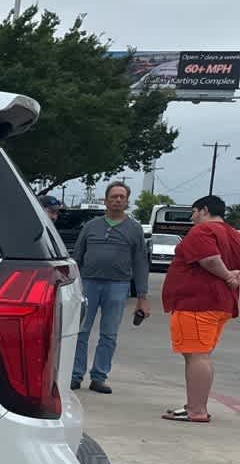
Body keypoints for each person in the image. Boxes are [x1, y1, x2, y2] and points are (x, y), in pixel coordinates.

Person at [160, 194, 240, 423]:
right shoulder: (233, 234)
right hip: (219, 304)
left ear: (204, 210)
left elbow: (210, 260)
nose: (192, 218)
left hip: (197, 303)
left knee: (197, 357)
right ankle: (195, 405)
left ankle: (196, 410)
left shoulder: (202, 231)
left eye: (193, 212)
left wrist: (228, 277)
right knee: (199, 355)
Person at [70, 181, 150, 393]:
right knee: (80, 331)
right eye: (113, 196)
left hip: (118, 286)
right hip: (88, 284)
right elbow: (77, 257)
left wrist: (142, 296)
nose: (117, 200)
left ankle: (99, 377)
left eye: (121, 197)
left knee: (109, 334)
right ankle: (75, 375)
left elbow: (141, 263)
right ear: (105, 200)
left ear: (127, 202)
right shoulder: (91, 226)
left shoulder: (134, 229)